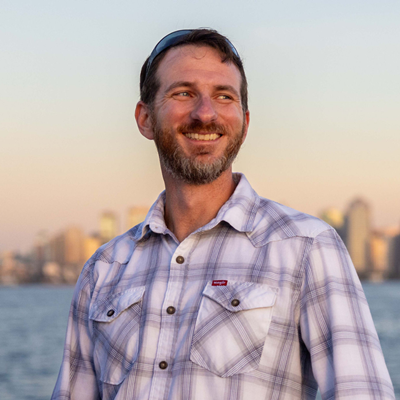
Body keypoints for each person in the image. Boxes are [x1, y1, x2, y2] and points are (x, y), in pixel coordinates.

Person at [52, 29, 395, 400]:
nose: (205, 113)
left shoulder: (306, 248)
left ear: (244, 124)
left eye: (223, 96)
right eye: (183, 92)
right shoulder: (103, 270)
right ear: (145, 118)